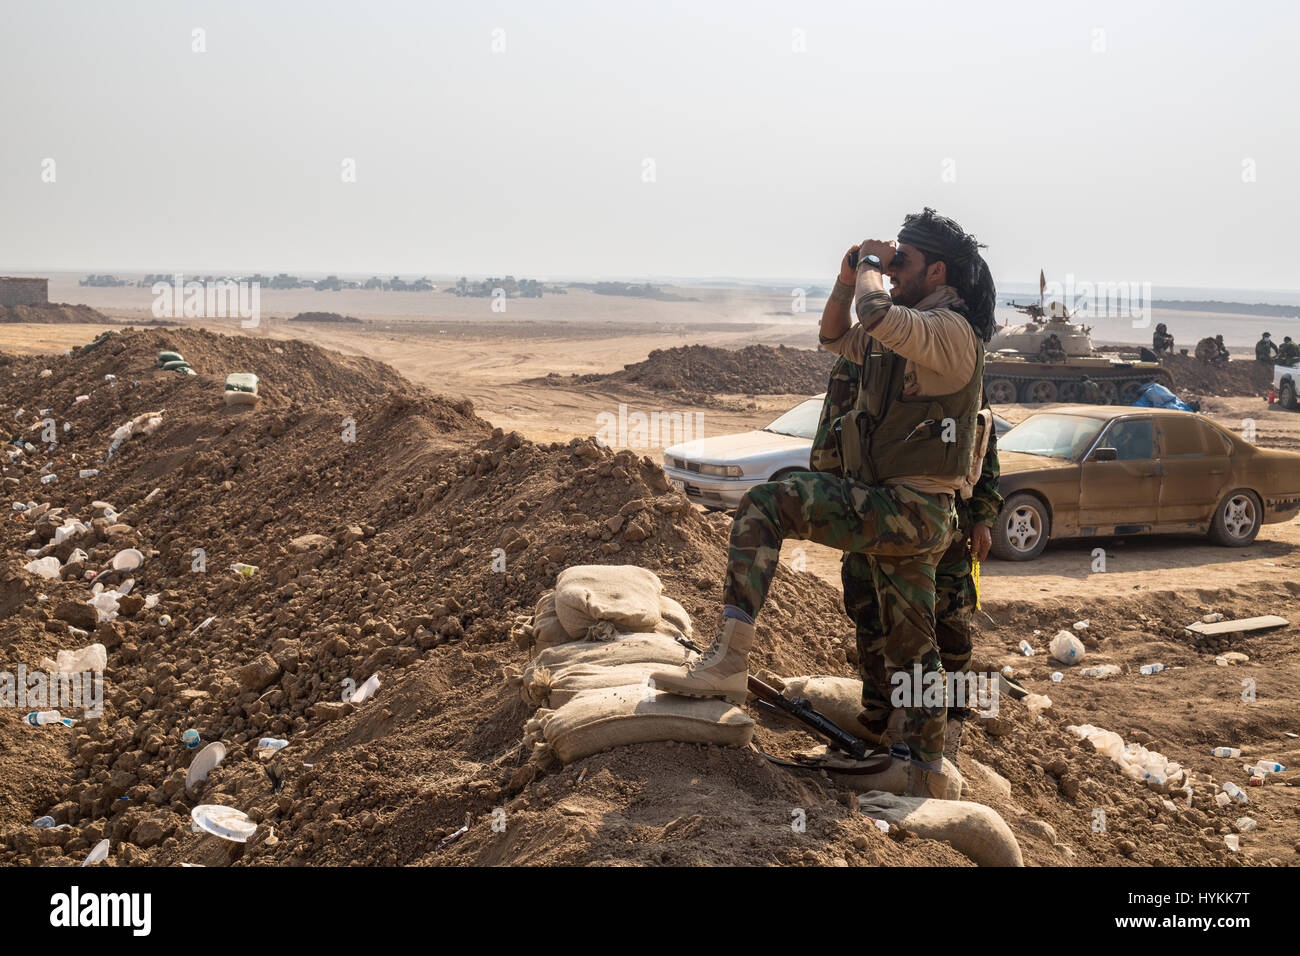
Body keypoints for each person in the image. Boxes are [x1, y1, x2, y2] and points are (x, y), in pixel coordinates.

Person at [650, 208, 996, 798]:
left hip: (912, 508)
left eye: (901, 263)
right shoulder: (908, 332)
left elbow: (874, 312)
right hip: (906, 512)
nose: (891, 271)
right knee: (909, 641)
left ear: (938, 271)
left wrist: (866, 265)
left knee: (767, 503)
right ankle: (922, 766)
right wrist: (845, 277)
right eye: (888, 264)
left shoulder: (950, 333)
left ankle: (729, 659)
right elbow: (836, 335)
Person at [814, 354, 1001, 761]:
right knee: (873, 622)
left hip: (945, 524)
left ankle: (947, 728)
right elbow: (829, 440)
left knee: (949, 627)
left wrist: (983, 517)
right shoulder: (858, 361)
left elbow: (983, 440)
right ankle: (882, 720)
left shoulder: (953, 354)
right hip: (872, 515)